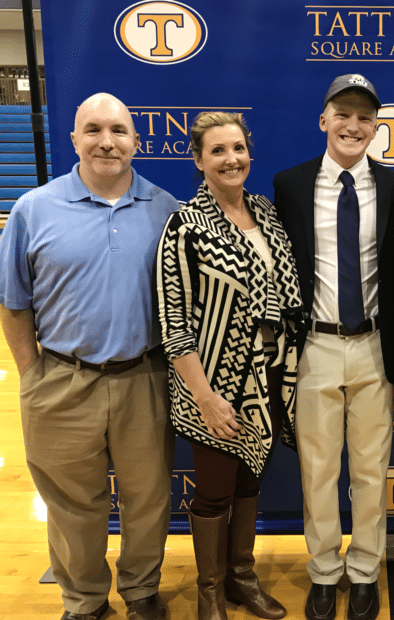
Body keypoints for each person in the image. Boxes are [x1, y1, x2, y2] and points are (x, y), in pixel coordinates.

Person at [0, 93, 177, 620]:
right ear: (73, 139)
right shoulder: (34, 210)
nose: (107, 141)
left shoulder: (165, 209)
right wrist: (32, 377)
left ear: (136, 141)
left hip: (143, 378)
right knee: (74, 507)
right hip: (61, 380)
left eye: (119, 130)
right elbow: (13, 305)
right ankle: (84, 599)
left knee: (147, 501)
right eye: (94, 130)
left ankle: (142, 590)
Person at [272, 74, 394, 620]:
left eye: (364, 117)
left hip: (375, 345)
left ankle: (364, 572)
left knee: (371, 470)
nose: (353, 125)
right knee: (318, 469)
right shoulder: (291, 184)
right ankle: (324, 572)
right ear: (323, 120)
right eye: (343, 113)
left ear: (376, 126)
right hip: (315, 346)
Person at [157, 112, 303, 620]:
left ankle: (243, 578)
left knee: (249, 485)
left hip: (268, 377)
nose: (230, 159)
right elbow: (173, 322)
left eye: (237, 148)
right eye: (217, 151)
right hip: (212, 383)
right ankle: (210, 592)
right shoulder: (184, 224)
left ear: (250, 153)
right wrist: (205, 397)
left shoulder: (265, 211)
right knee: (214, 493)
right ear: (198, 160)